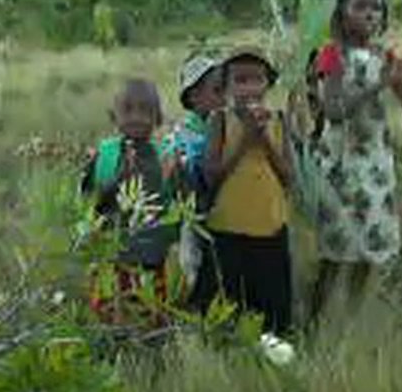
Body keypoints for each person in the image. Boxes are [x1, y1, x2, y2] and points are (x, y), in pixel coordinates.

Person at [307, 0, 402, 323]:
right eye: (360, 7)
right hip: (340, 165)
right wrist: (380, 83)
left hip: (375, 165)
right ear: (342, 14)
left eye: (376, 8)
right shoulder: (332, 55)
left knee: (368, 251)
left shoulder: (384, 55)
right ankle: (313, 322)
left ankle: (349, 320)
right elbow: (333, 111)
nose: (369, 15)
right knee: (334, 251)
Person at [190, 47, 296, 338]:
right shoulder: (219, 121)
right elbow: (212, 176)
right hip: (228, 229)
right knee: (224, 306)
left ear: (268, 84)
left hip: (269, 227)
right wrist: (244, 139)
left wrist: (263, 139)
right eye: (240, 80)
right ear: (225, 88)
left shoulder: (278, 120)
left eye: (257, 80)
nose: (249, 88)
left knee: (270, 313)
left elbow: (289, 177)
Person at [80, 78, 178, 325]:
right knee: (109, 312)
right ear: (114, 116)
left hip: (150, 255)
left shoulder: (164, 156)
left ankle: (152, 353)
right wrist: (118, 179)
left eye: (145, 111)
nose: (136, 117)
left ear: (157, 118)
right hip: (110, 252)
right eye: (128, 109)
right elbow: (90, 202)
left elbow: (172, 204)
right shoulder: (104, 155)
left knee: (151, 313)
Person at [160, 53, 224, 289]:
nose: (225, 97)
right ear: (195, 96)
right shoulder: (183, 134)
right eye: (217, 91)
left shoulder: (227, 126)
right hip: (195, 217)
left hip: (226, 213)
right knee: (197, 270)